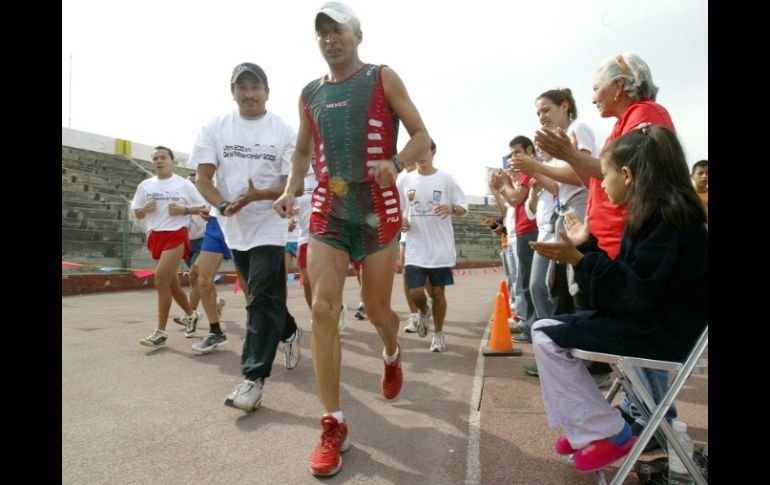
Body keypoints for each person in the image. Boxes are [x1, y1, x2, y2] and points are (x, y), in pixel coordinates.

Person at [273, 2, 430, 477]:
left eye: (337, 30)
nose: (329, 39)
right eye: (321, 33)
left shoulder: (383, 77)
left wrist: (397, 164)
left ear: (357, 34)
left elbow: (422, 136)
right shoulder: (309, 93)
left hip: (376, 209)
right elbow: (302, 151)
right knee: (322, 307)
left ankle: (391, 351)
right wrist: (288, 188)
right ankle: (332, 423)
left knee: (379, 310)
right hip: (330, 207)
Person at [528, 125, 707, 473]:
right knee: (546, 329)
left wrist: (579, 259)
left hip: (661, 334)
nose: (601, 184)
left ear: (626, 175)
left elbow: (634, 293)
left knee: (546, 333)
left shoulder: (667, 219)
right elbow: (628, 286)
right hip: (654, 325)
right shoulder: (659, 214)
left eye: (604, 175)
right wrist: (588, 246)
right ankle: (587, 426)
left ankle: (602, 429)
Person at [534, 53, 677, 446]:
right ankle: (642, 413)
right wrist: (572, 160)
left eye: (597, 85)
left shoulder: (647, 114)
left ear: (621, 83)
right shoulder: (622, 124)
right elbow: (597, 175)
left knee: (634, 333)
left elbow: (634, 172)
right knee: (620, 337)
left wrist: (569, 157)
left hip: (626, 247)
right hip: (611, 241)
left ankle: (656, 422)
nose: (592, 95)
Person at [191, 62, 303, 411]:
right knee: (260, 295)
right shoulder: (216, 127)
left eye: (256, 87)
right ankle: (289, 331)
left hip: (269, 224)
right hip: (232, 225)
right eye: (242, 87)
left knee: (259, 300)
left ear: (268, 92)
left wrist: (258, 196)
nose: (249, 93)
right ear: (233, 92)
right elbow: (203, 179)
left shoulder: (284, 130)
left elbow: (293, 184)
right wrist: (223, 206)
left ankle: (253, 379)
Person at [398, 139, 467, 351]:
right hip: (415, 246)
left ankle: (438, 334)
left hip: (440, 248)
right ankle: (422, 311)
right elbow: (396, 208)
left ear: (434, 152)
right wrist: (401, 220)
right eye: (418, 151)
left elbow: (463, 207)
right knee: (416, 293)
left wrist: (451, 208)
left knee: (438, 294)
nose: (422, 155)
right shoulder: (405, 181)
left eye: (426, 150)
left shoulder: (446, 179)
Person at [133, 146, 206, 348]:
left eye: (163, 157)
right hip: (155, 236)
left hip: (176, 234)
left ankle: (161, 332)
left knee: (160, 280)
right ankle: (191, 315)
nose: (159, 161)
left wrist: (184, 210)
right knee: (171, 284)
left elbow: (203, 207)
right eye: (155, 158)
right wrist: (144, 210)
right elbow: (137, 213)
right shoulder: (145, 185)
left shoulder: (183, 184)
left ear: (172, 161)